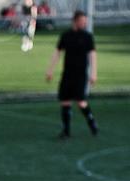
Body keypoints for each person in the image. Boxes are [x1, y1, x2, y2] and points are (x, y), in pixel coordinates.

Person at [45, 9, 98, 138]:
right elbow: (57, 53)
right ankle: (66, 131)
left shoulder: (87, 37)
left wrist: (93, 73)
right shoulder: (66, 35)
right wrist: (50, 70)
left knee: (81, 102)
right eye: (81, 21)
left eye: (85, 21)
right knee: (65, 101)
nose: (84, 24)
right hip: (67, 74)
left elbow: (92, 55)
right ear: (75, 21)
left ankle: (92, 122)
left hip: (80, 75)